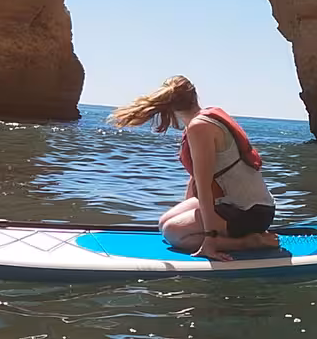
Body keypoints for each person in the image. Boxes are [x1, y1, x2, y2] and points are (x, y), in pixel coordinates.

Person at [108, 76, 279, 258]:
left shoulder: (200, 127)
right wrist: (189, 217)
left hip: (251, 212)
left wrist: (210, 239)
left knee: (173, 232)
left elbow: (204, 188)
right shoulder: (202, 120)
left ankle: (247, 242)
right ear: (195, 95)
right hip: (234, 203)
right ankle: (229, 235)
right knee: (164, 223)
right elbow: (196, 179)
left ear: (169, 106)